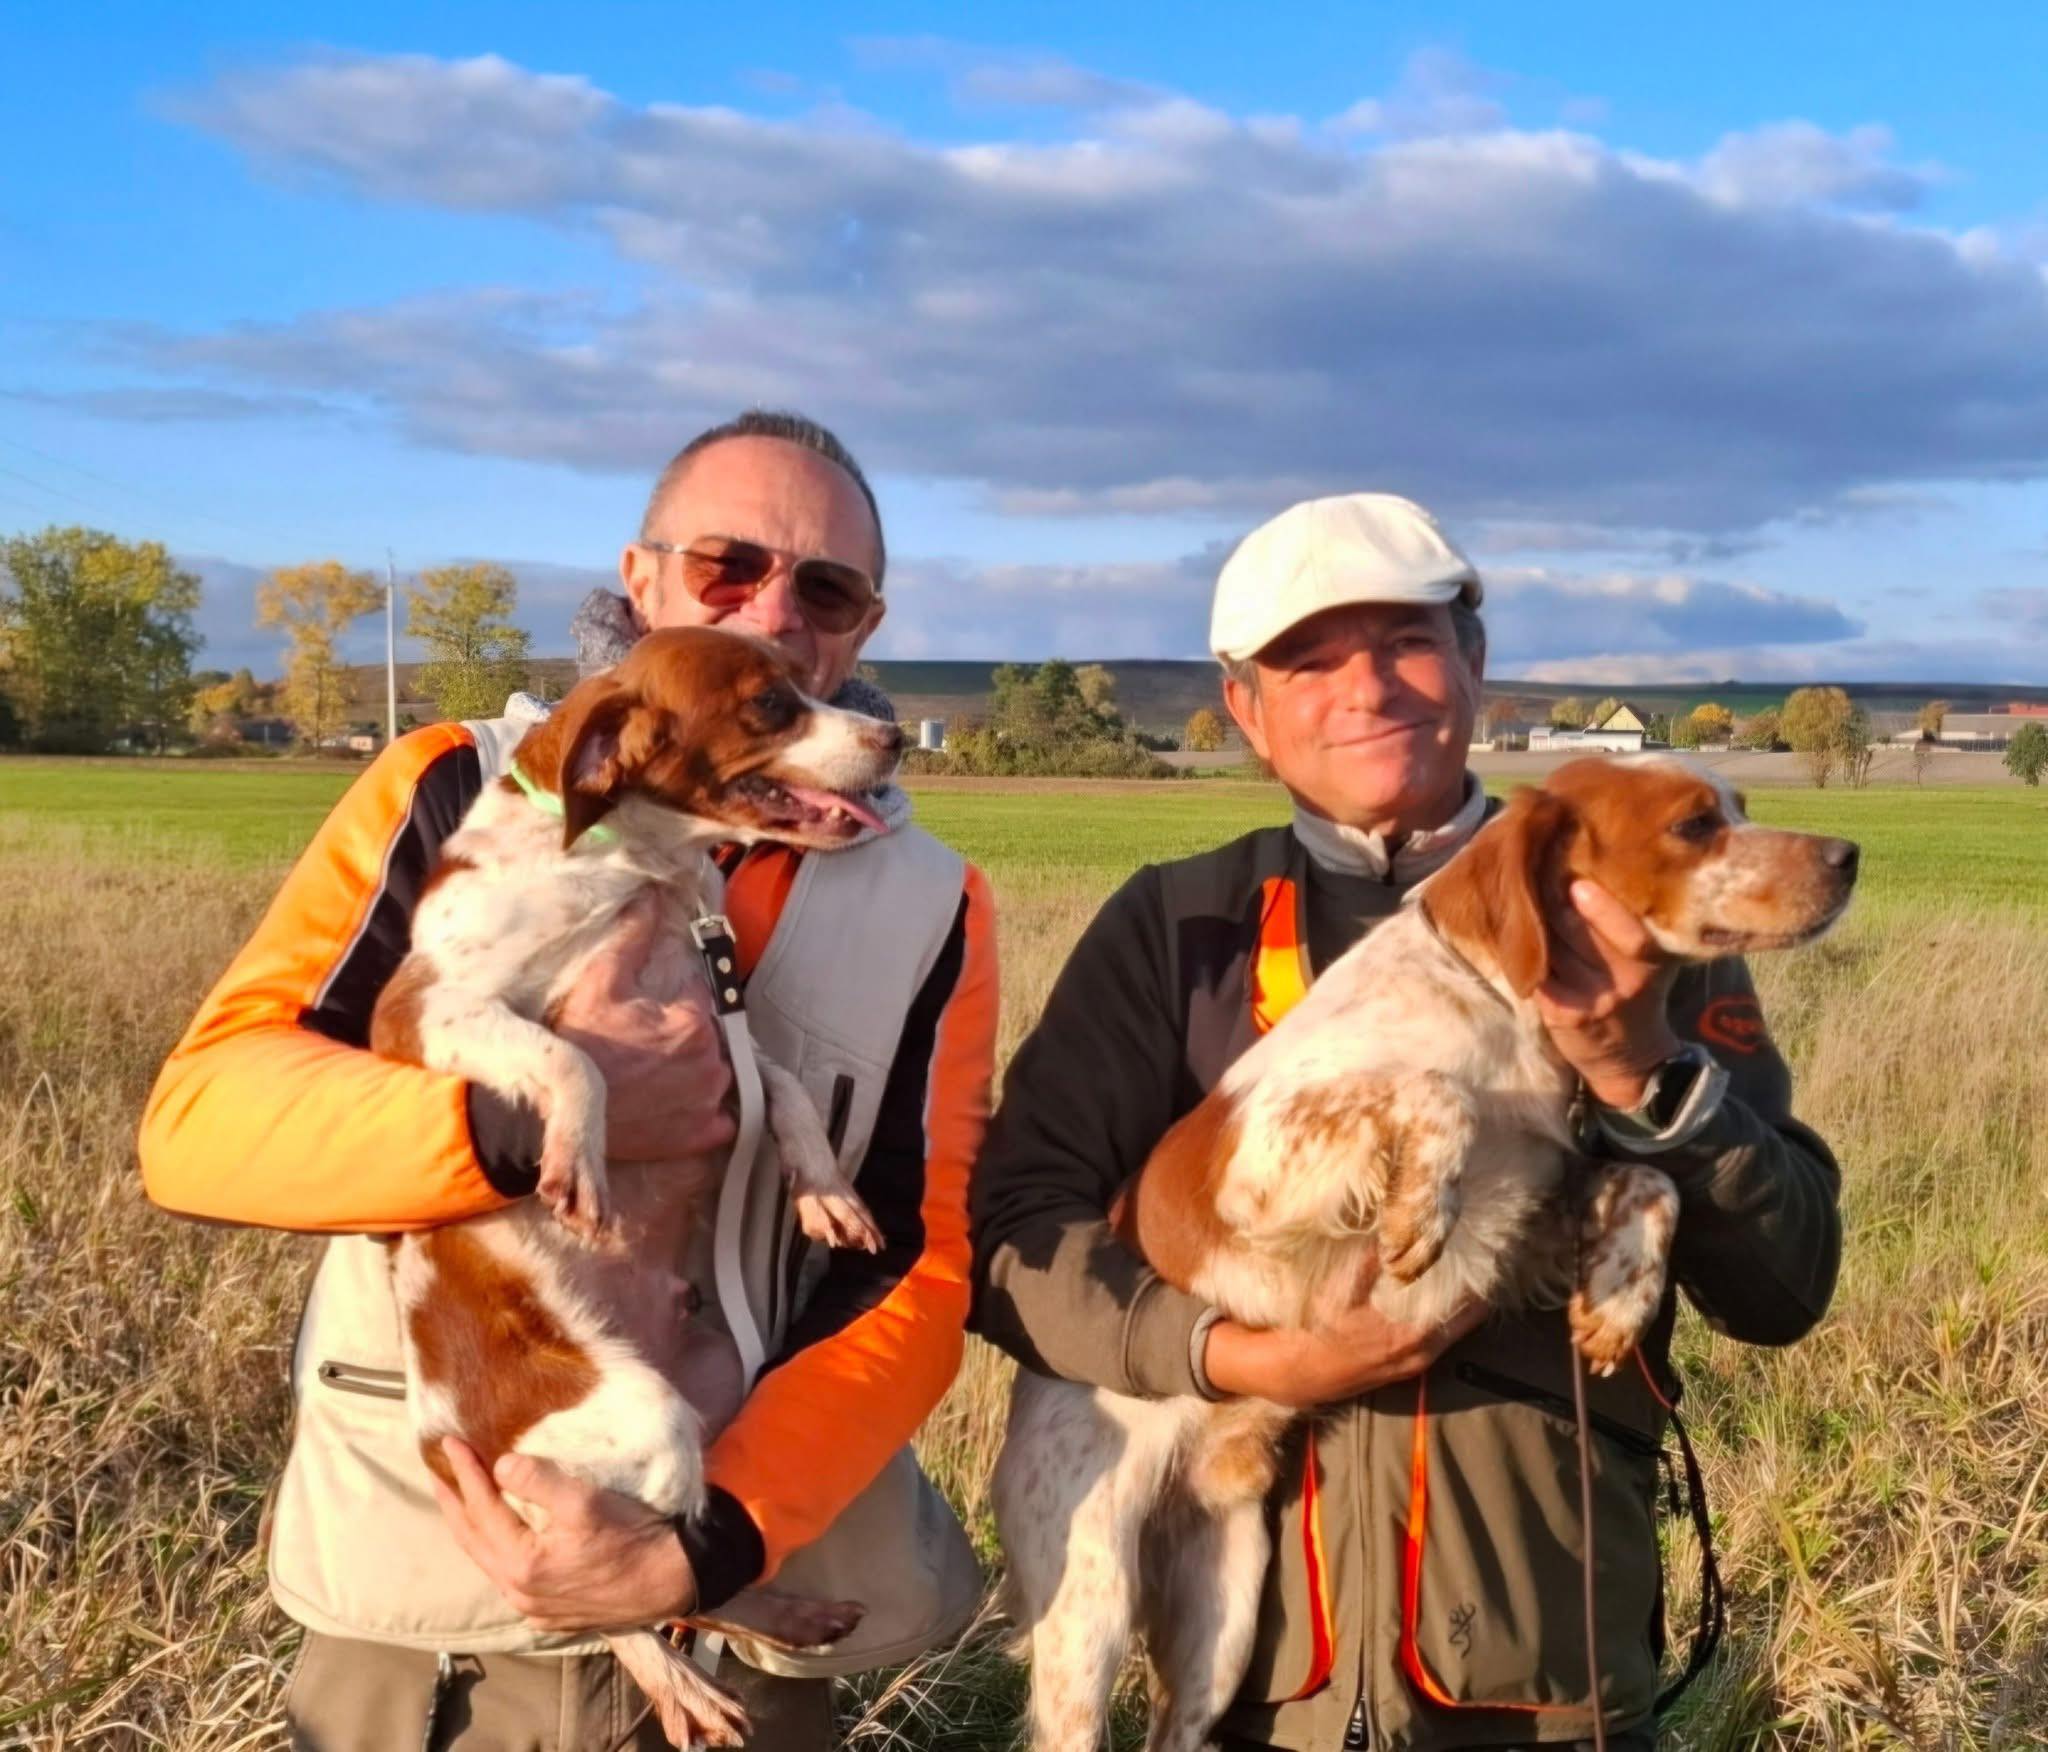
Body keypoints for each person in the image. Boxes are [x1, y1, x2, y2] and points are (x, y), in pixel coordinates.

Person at [140, 410, 997, 1751]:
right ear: (642, 577)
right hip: (434, 1625)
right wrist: (496, 1125)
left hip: (737, 1602)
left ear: (866, 624)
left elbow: (924, 1269)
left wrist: (710, 1545)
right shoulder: (450, 790)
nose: (774, 614)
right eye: (728, 567)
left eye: (825, 588)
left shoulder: (935, 902)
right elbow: (200, 1127)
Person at [971, 493, 1840, 1751]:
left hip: (1540, 1671)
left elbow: (1783, 1287)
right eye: (1308, 660)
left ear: (1473, 664)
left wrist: (1636, 1071)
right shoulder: (1179, 928)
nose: (1364, 687)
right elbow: (1014, 1244)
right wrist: (1229, 1358)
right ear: (1243, 709)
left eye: (1405, 641)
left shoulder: (1659, 927)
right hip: (1260, 1682)